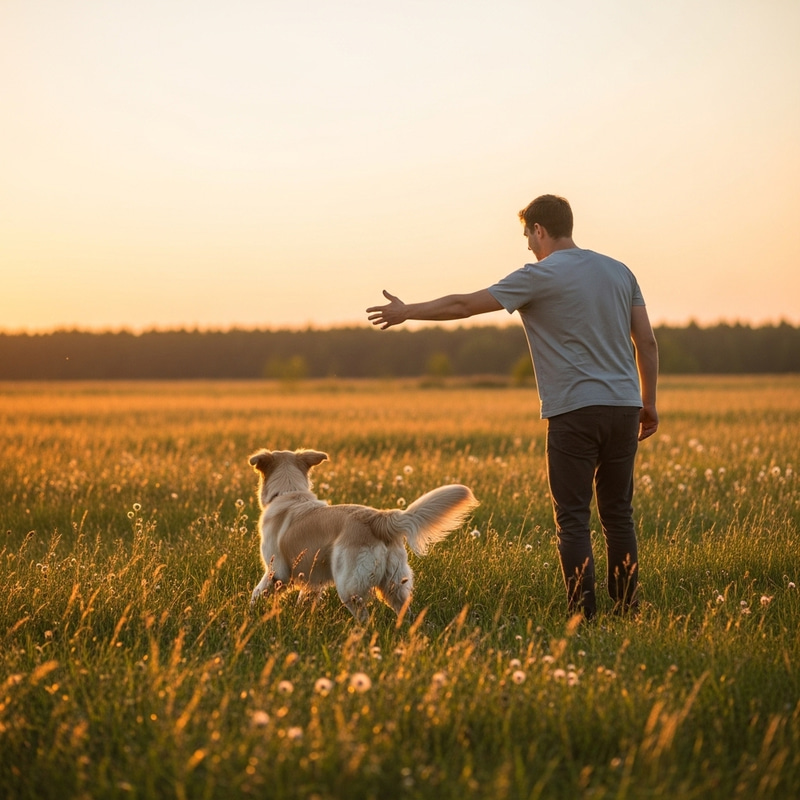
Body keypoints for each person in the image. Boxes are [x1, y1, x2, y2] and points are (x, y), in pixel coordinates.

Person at [366, 194, 659, 619]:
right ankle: (628, 610)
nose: (527, 245)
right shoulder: (620, 271)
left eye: (528, 235)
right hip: (624, 407)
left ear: (539, 230)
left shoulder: (539, 276)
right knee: (618, 515)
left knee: (573, 519)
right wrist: (648, 402)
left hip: (574, 412)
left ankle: (584, 616)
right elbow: (646, 342)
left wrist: (407, 311)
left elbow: (464, 305)